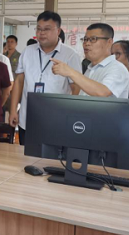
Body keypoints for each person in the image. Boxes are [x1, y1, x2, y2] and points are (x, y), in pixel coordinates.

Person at [9, 11, 82, 145]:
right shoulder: (28, 51)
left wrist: (69, 116)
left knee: (52, 156)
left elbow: (76, 88)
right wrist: (13, 110)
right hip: (27, 119)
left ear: (58, 31)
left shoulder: (70, 55)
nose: (41, 33)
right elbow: (19, 81)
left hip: (56, 122)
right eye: (39, 29)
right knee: (24, 155)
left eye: (47, 29)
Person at [52, 23, 129, 99]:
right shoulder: (90, 69)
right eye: (85, 39)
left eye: (93, 39)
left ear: (109, 42)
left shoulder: (117, 68)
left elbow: (102, 92)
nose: (87, 43)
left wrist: (70, 72)